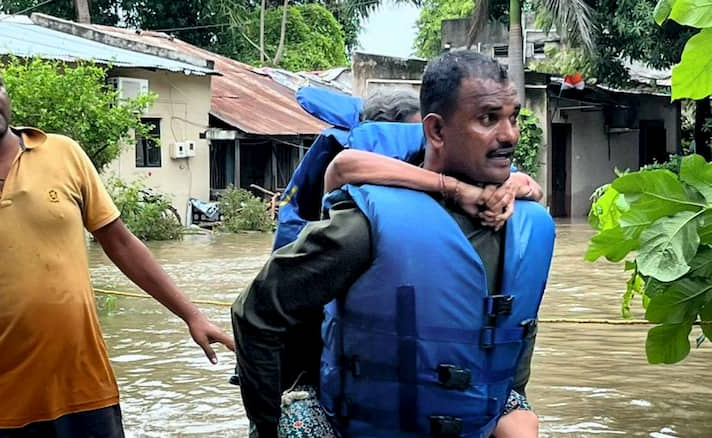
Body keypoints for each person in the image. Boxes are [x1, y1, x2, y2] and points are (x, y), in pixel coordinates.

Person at [232, 50, 555, 437]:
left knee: (520, 426)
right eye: (488, 119)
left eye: (513, 118)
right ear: (436, 132)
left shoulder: (528, 223)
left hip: (477, 412)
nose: (510, 135)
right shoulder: (365, 223)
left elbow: (514, 354)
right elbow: (255, 314)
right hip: (358, 419)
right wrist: (265, 428)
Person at [0, 56, 235, 437]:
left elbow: (119, 242)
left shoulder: (63, 153)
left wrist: (191, 314)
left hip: (84, 388)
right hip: (0, 403)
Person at [326, 88, 543, 231]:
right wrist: (456, 189)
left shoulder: (473, 183)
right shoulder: (365, 202)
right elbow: (342, 166)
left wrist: (509, 188)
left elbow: (532, 186)